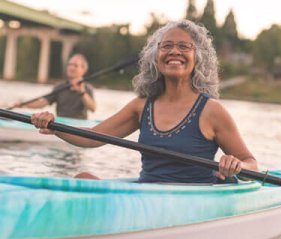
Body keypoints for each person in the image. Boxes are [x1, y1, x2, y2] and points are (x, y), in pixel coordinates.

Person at [31, 19, 258, 183]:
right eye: (166, 46)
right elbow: (91, 138)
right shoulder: (141, 106)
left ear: (197, 57)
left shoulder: (212, 110)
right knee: (82, 179)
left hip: (191, 201)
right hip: (146, 197)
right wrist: (53, 125)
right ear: (155, 57)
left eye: (184, 46)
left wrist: (236, 165)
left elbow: (251, 163)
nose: (174, 51)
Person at [16, 54, 96, 119]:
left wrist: (81, 92)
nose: (71, 67)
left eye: (75, 65)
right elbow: (43, 102)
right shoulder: (60, 87)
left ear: (83, 70)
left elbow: (93, 108)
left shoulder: (87, 88)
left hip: (79, 126)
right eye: (69, 64)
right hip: (62, 124)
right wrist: (24, 104)